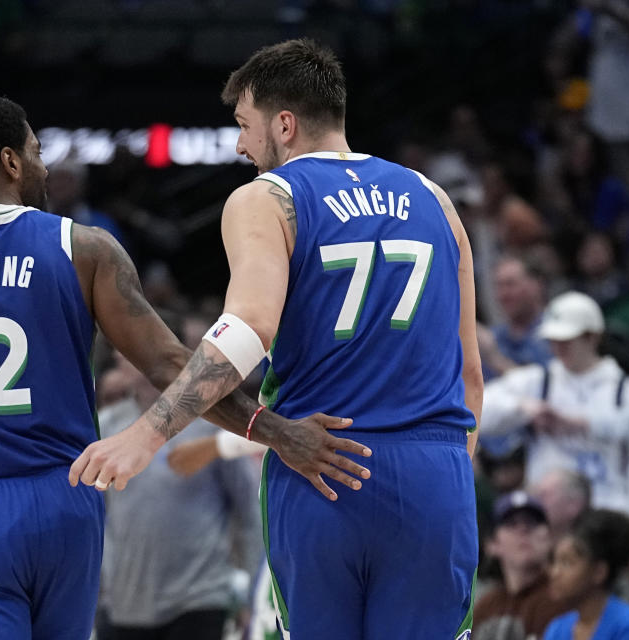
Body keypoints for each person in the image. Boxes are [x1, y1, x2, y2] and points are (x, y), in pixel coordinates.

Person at [0, 94, 372, 640]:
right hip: (68, 503)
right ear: (9, 162)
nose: (44, 164)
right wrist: (278, 434)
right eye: (36, 151)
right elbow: (175, 367)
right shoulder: (85, 249)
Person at [70, 39, 484, 639]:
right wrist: (436, 478)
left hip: (322, 465)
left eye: (244, 125)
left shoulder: (269, 196)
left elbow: (247, 329)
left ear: (283, 124)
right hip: (432, 472)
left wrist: (145, 433)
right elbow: (469, 373)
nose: (240, 145)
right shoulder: (435, 199)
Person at [97, 356, 262, 639]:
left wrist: (251, 592)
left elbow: (249, 512)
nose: (129, 364)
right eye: (122, 356)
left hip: (198, 597)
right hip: (122, 601)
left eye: (133, 350)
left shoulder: (210, 426)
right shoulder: (106, 426)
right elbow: (91, 517)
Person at [481, 291, 629, 513]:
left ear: (592, 337)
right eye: (553, 341)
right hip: (548, 511)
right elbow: (478, 409)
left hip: (608, 511)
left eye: (566, 340)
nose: (558, 348)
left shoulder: (625, 390)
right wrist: (523, 409)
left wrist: (581, 423)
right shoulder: (540, 381)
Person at [474, 491, 577, 640]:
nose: (523, 529)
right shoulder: (484, 607)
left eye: (533, 522)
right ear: (492, 544)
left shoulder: (568, 597)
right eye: (511, 523)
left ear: (549, 537)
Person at [544, 509, 629, 639]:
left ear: (599, 572)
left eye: (567, 563)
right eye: (554, 562)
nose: (554, 573)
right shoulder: (557, 628)